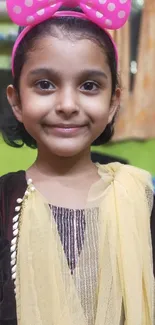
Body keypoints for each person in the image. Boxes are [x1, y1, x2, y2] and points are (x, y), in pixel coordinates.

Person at [0, 1, 154, 324]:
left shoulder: (140, 197)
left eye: (89, 86)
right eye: (45, 84)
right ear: (16, 101)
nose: (68, 105)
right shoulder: (3, 201)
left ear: (113, 102)